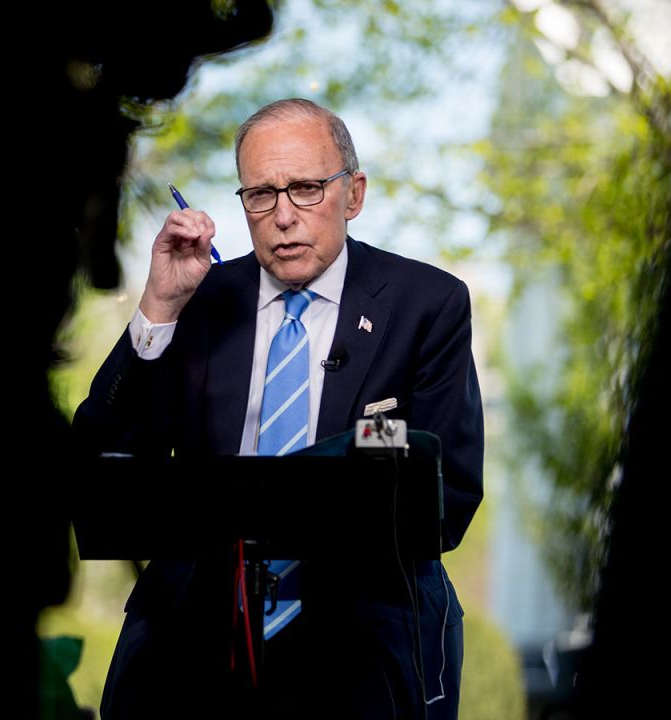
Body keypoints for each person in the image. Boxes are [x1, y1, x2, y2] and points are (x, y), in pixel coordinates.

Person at [75, 98, 483, 719]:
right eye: (261, 195)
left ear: (354, 194)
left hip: (359, 644)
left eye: (306, 188)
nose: (283, 217)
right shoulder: (200, 298)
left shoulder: (427, 304)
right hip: (197, 640)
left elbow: (447, 496)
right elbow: (106, 452)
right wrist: (158, 309)